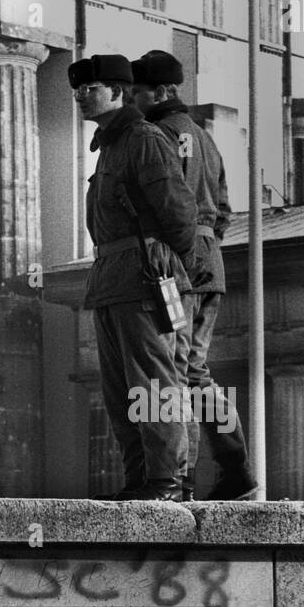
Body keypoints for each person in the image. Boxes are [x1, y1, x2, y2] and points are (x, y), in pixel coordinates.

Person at [70, 53, 198, 501]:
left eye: (91, 88)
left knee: (155, 383)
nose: (81, 96)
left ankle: (167, 481)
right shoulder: (111, 143)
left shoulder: (144, 138)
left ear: (118, 92)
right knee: (120, 389)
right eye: (79, 90)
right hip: (111, 279)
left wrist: (176, 271)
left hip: (146, 277)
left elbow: (178, 211)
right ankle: (141, 479)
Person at [131, 50, 257, 500]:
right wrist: (206, 243)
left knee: (173, 372)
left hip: (177, 263)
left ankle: (179, 479)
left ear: (162, 92)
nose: (133, 99)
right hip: (210, 261)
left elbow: (163, 204)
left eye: (139, 92)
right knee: (195, 372)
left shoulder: (157, 134)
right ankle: (235, 467)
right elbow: (223, 208)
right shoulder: (204, 138)